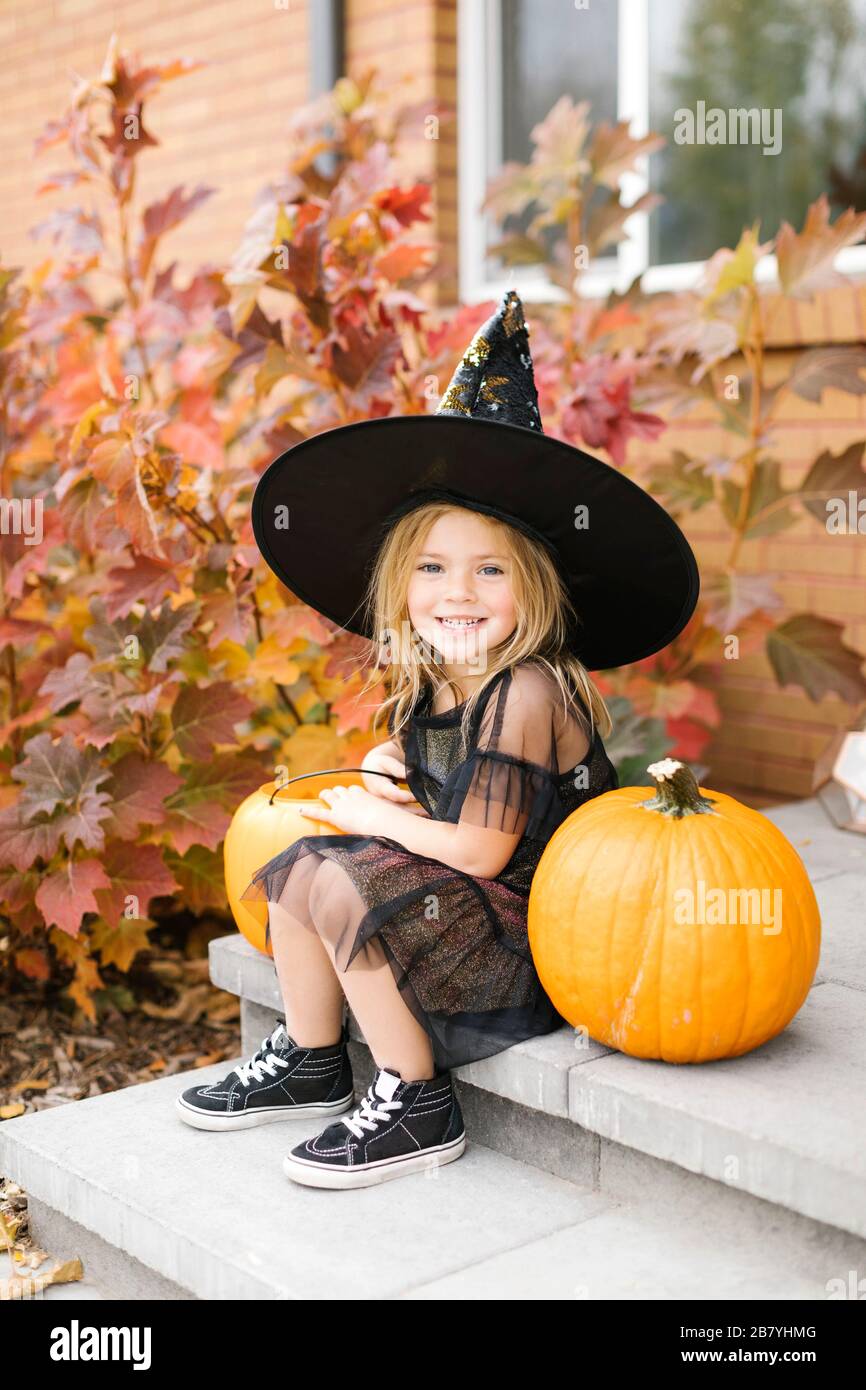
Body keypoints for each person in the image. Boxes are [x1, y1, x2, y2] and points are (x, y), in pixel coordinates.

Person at [175, 289, 700, 1190]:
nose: (458, 592)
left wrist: (378, 825)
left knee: (341, 876)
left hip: (541, 929)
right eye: (432, 568)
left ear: (532, 588)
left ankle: (417, 1098)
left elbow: (483, 847)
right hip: (471, 895)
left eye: (489, 569)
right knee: (305, 861)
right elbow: (446, 797)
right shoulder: (441, 679)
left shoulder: (525, 687)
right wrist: (394, 770)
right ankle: (310, 1057)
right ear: (399, 584)